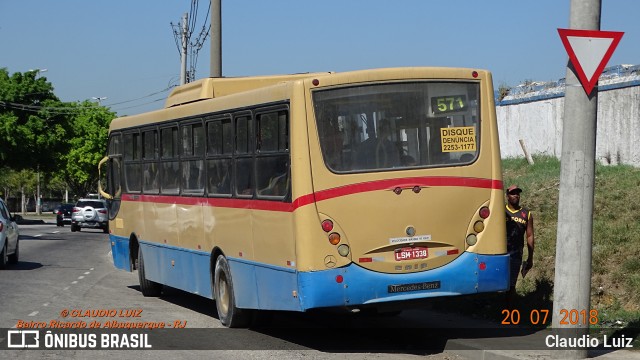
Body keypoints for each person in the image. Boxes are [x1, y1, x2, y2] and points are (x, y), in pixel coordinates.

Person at [505, 185, 535, 306]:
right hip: (501, 252)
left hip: (516, 253)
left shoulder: (526, 214)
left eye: (518, 193)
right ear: (507, 196)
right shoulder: (501, 211)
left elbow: (530, 236)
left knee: (511, 285)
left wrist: (530, 257)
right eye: (513, 193)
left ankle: (508, 311)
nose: (516, 195)